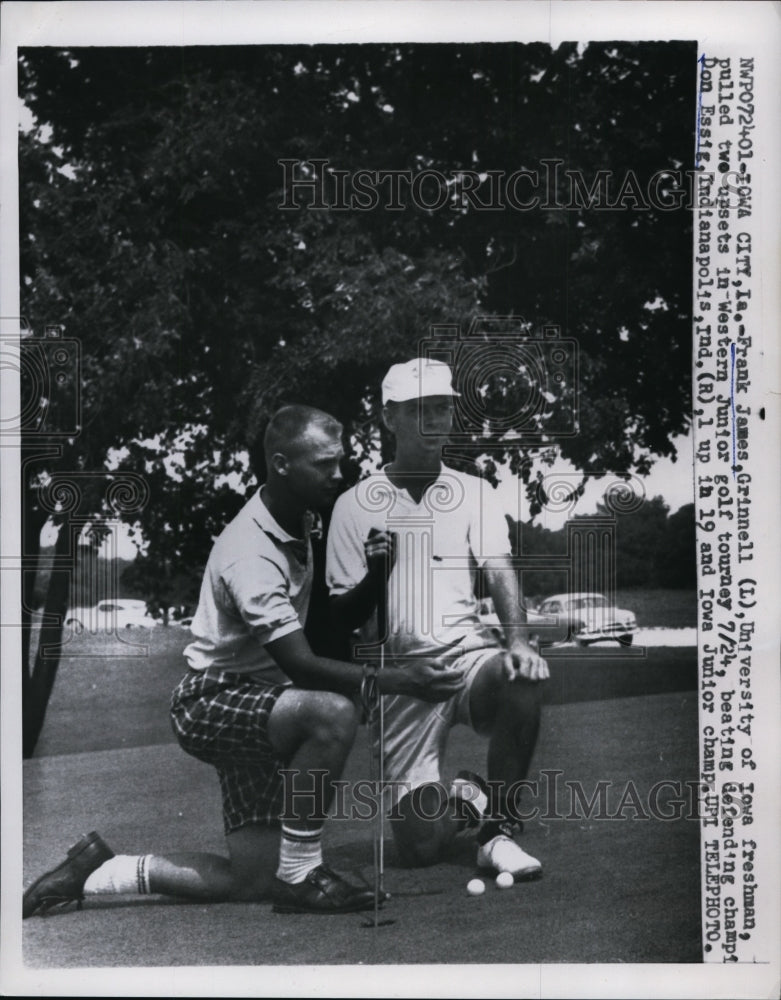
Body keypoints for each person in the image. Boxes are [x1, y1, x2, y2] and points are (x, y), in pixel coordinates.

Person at [23, 404, 466, 918]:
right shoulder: (249, 553)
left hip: (262, 703)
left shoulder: (304, 520)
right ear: (280, 464)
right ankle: (304, 874)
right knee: (333, 712)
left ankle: (98, 872)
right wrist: (402, 680)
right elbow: (303, 666)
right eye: (324, 464)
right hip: (212, 701)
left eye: (339, 461)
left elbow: (325, 624)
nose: (339, 474)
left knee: (253, 879)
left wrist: (375, 575)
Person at [326, 359, 550, 877]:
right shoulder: (353, 506)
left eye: (442, 409)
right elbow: (346, 614)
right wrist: (374, 683)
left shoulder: (475, 492)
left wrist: (517, 641)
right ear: (390, 418)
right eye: (419, 410)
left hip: (469, 660)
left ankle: (498, 832)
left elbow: (499, 567)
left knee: (523, 676)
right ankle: (469, 799)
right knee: (420, 849)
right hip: (402, 681)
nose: (434, 422)